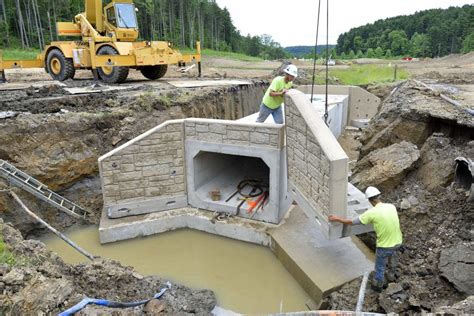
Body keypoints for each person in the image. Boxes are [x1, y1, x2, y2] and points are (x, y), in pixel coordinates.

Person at [328, 186, 403, 292]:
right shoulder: (391, 206)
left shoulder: (371, 213)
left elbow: (352, 222)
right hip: (398, 242)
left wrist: (337, 219)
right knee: (393, 262)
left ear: (369, 200)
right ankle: (391, 277)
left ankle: (377, 288)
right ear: (379, 196)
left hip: (385, 246)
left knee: (379, 268)